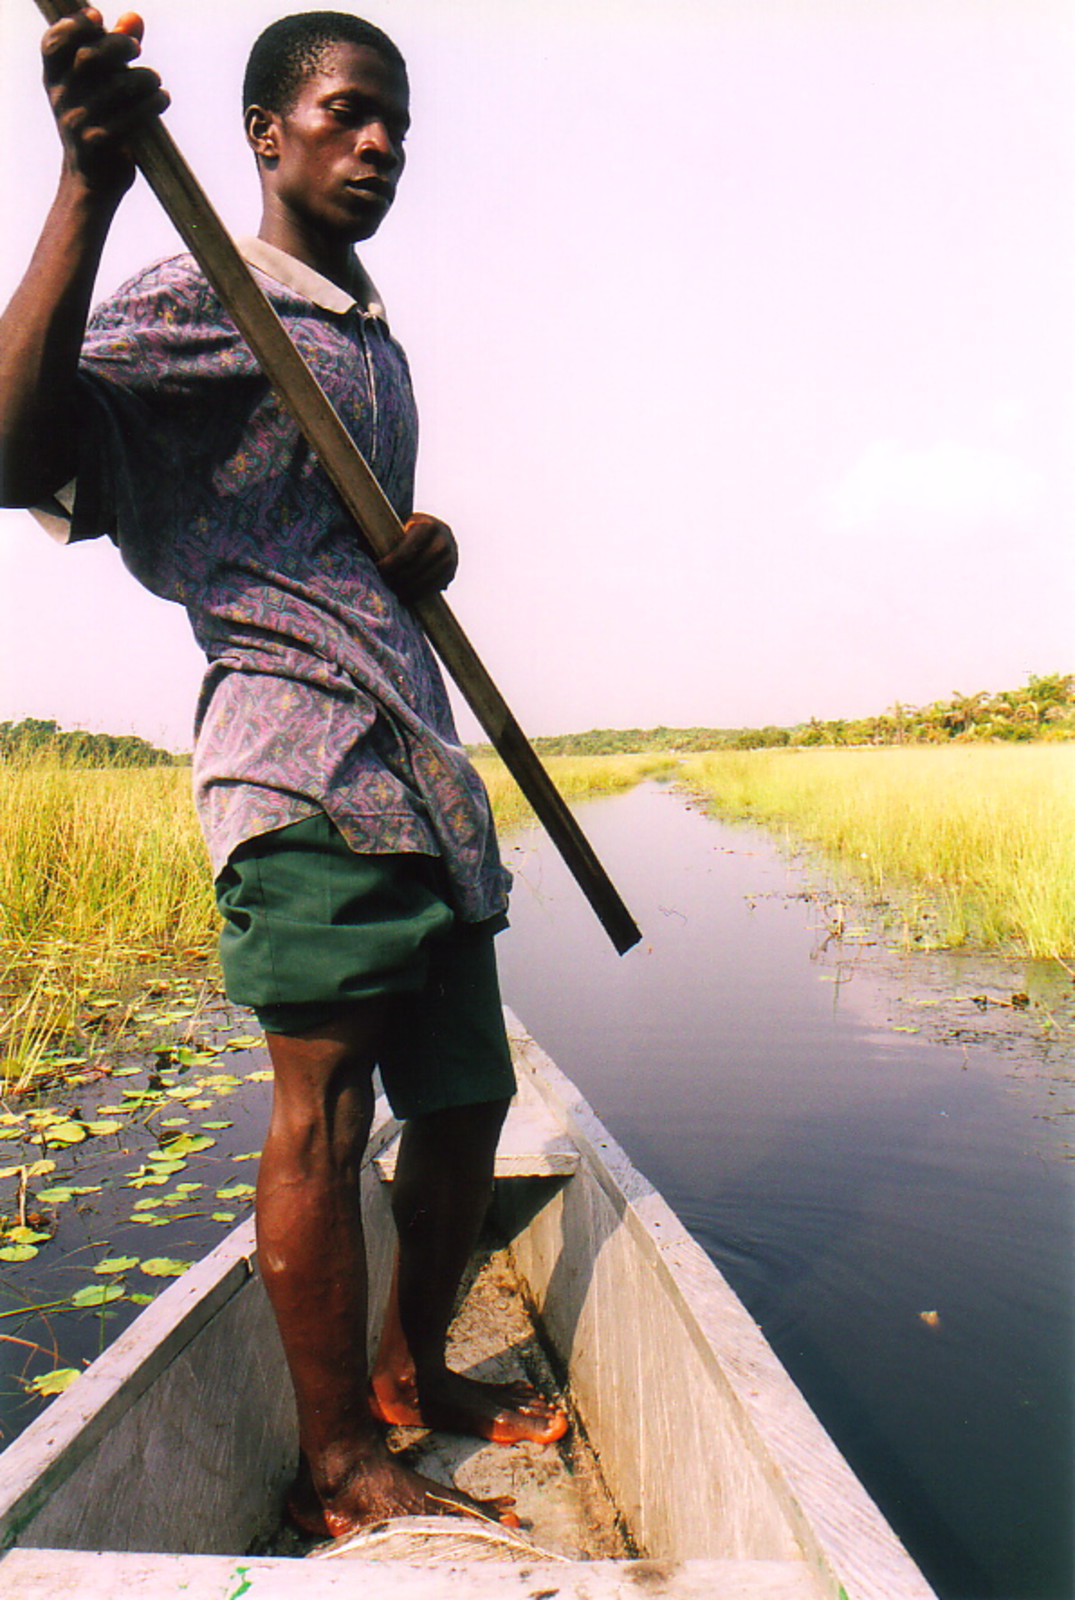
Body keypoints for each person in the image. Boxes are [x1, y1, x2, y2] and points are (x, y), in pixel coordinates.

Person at [0, 7, 567, 1538]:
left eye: (394, 125)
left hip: (419, 768)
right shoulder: (204, 291)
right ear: (264, 133)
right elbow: (9, 449)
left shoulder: (359, 332)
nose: (376, 142)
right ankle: (336, 1463)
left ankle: (406, 1375)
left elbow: (330, 528)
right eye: (344, 114)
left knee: (462, 1101)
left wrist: (413, 541)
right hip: (301, 762)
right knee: (319, 1113)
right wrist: (85, 184)